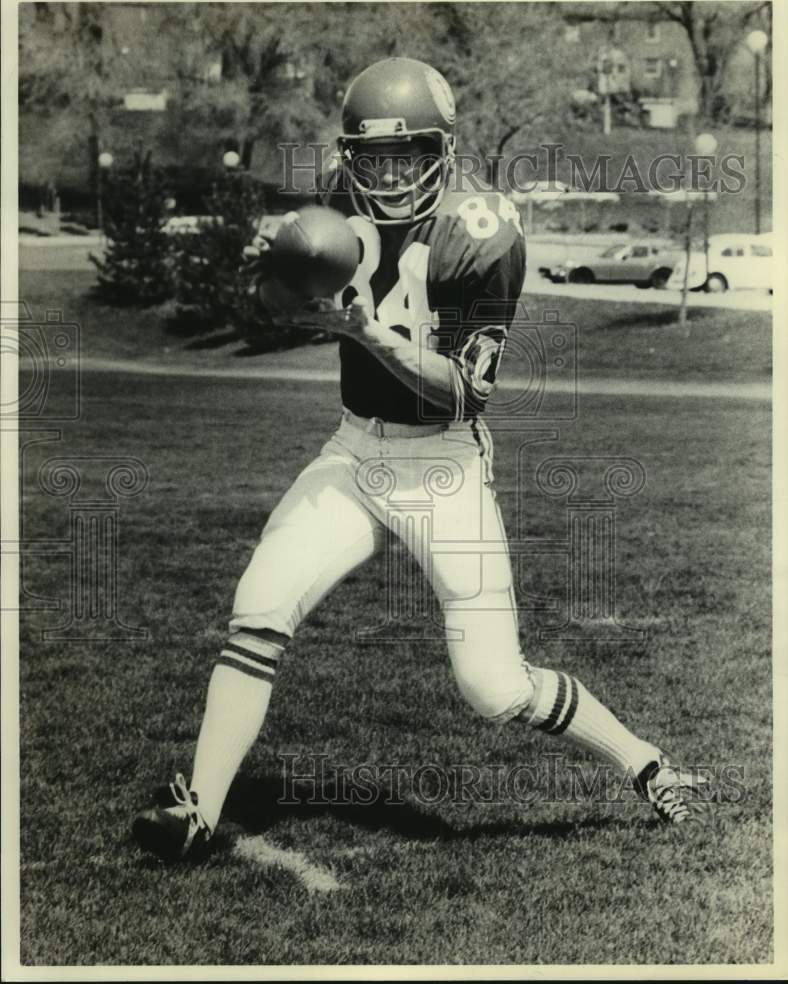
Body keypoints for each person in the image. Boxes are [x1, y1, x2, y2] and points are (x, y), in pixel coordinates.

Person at [132, 57, 710, 862]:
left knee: (493, 688)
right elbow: (274, 300)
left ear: (443, 149)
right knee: (257, 608)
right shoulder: (336, 197)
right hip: (354, 444)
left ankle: (648, 764)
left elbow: (468, 393)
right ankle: (197, 808)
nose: (390, 174)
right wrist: (287, 278)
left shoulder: (483, 230)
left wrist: (367, 333)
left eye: (408, 156)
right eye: (373, 159)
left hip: (443, 464)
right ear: (350, 156)